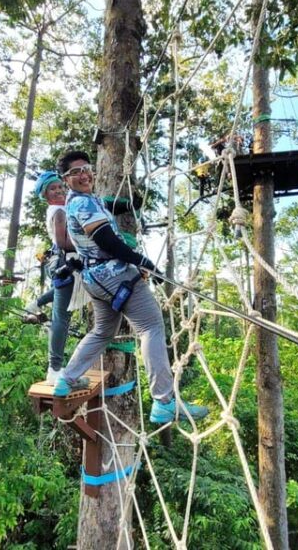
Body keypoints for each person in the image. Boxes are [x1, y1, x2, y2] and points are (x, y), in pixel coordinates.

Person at [53, 150, 208, 424]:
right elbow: (108, 242)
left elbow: (107, 205)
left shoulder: (83, 200)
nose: (84, 174)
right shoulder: (81, 205)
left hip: (95, 280)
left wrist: (128, 204)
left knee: (102, 331)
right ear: (65, 179)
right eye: (75, 172)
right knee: (151, 327)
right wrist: (144, 262)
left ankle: (66, 380)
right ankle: (163, 402)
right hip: (115, 275)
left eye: (87, 168)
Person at [27, 170, 79, 383]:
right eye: (53, 189)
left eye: (60, 187)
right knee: (62, 317)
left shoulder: (61, 208)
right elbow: (63, 242)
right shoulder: (58, 211)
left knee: (63, 296)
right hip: (65, 262)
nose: (59, 191)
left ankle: (36, 302)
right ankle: (54, 368)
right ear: (46, 195)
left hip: (63, 262)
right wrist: (90, 243)